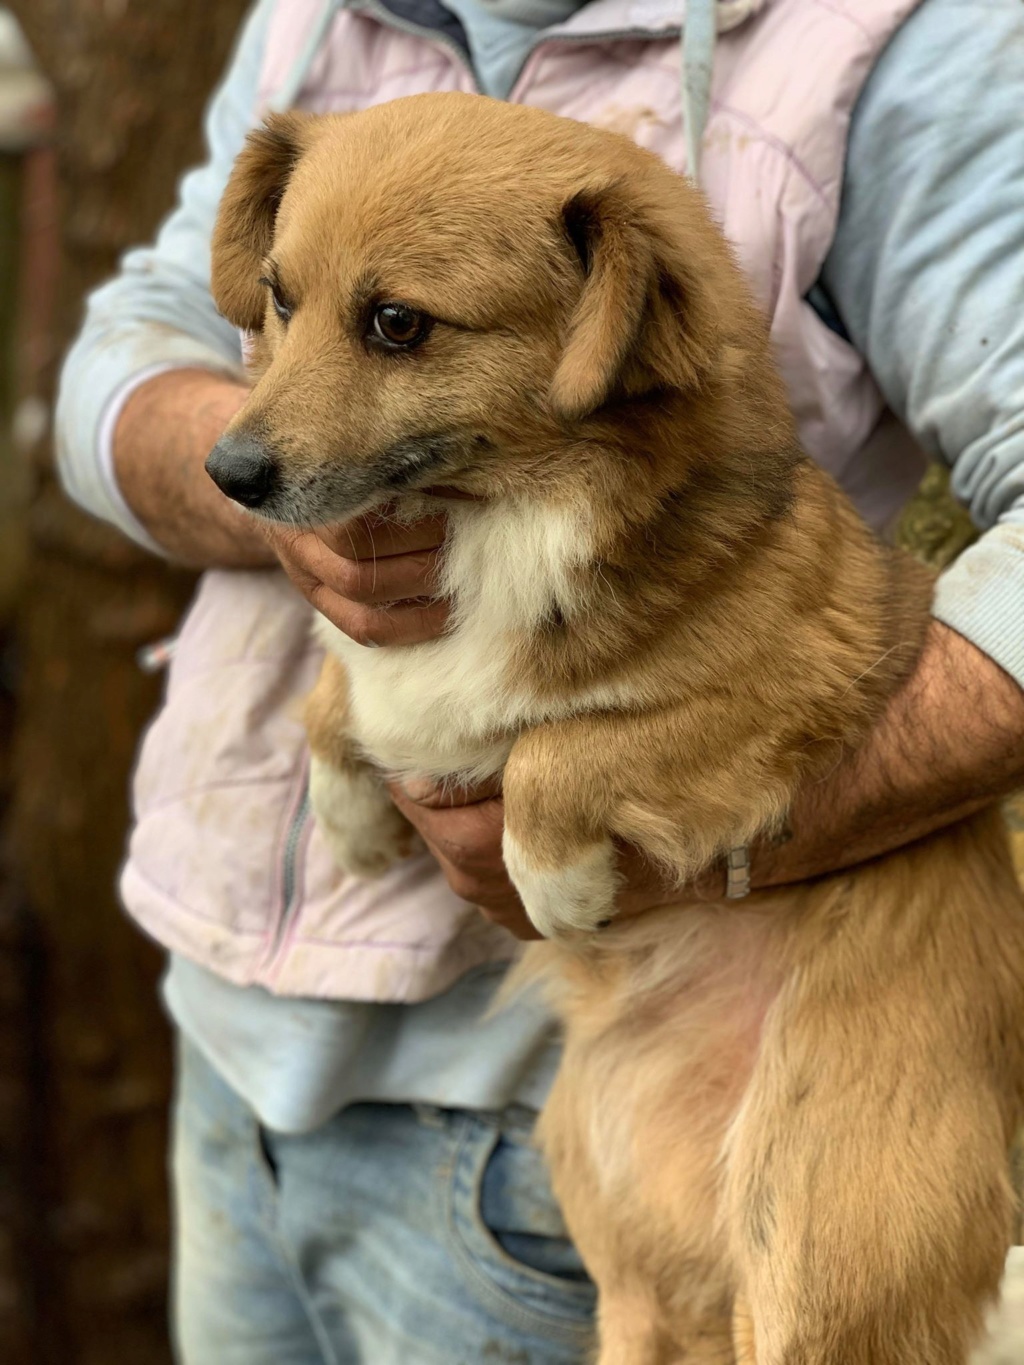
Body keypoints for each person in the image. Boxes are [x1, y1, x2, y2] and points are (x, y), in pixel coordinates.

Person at [56, 0, 1024, 1360]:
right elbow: (144, 330)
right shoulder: (319, 15)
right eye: (287, 308)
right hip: (227, 1050)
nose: (286, 374)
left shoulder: (910, 44)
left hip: (573, 1119)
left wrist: (715, 827)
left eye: (397, 325)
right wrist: (249, 477)